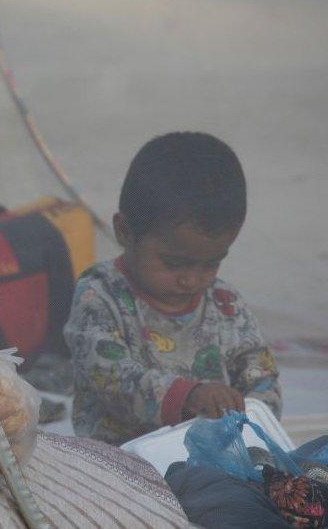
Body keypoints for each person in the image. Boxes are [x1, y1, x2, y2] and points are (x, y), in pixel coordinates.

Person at [64, 132, 281, 445]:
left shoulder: (224, 303)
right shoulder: (99, 294)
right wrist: (188, 396)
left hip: (208, 454)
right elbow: (108, 376)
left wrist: (254, 411)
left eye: (210, 264)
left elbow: (259, 371)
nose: (191, 280)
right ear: (125, 231)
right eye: (173, 263)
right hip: (122, 459)